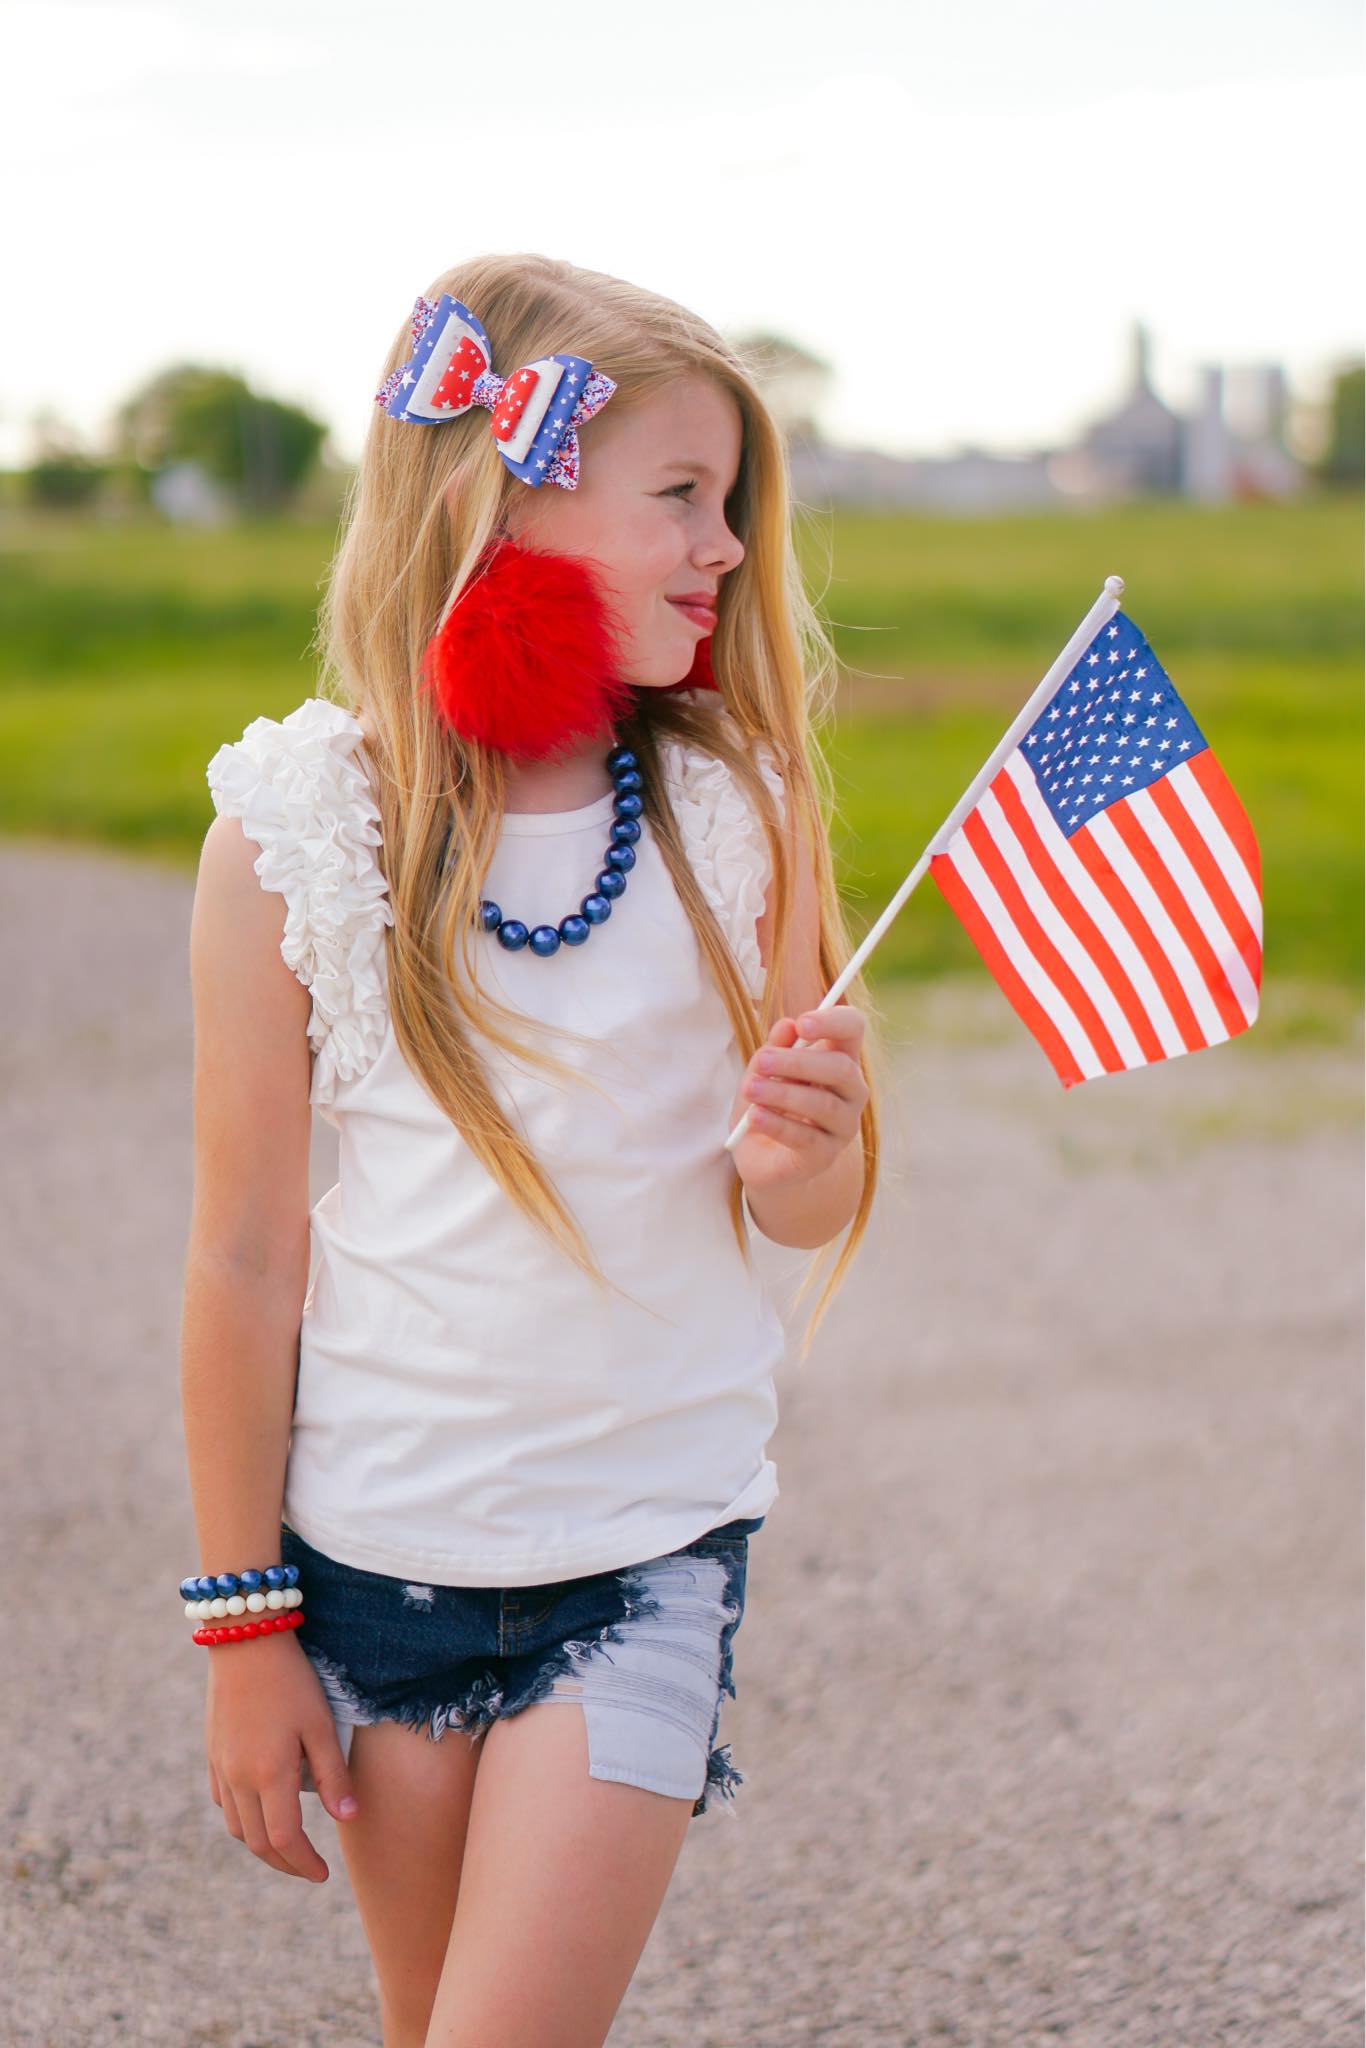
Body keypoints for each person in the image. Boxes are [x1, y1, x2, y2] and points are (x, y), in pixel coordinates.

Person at [181, 254, 883, 2048]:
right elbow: (246, 1253)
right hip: (372, 1559)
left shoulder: (744, 814)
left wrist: (807, 1144)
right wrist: (243, 1627)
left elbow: (803, 1201)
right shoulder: (297, 833)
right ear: (509, 503)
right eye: (679, 498)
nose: (725, 548)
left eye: (730, 504)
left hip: (643, 1546)